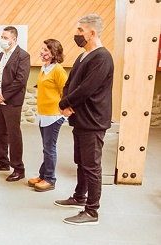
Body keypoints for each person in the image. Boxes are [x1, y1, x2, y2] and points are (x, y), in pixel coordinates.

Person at [54, 14, 114, 225]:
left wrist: (64, 104)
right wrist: (66, 100)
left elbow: (87, 88)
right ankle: (80, 196)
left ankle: (92, 211)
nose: (76, 34)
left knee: (91, 166)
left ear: (92, 33)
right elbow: (70, 84)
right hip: (80, 118)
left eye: (80, 30)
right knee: (81, 162)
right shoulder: (82, 56)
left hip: (93, 120)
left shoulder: (102, 57)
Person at [0, 26, 30, 181]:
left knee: (14, 135)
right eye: (2, 37)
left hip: (12, 102)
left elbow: (20, 81)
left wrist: (4, 96)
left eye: (5, 38)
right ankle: (2, 161)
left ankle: (18, 168)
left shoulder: (23, 56)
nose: (2, 40)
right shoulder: (0, 55)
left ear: (14, 39)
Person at [28, 39, 68, 192]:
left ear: (53, 53)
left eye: (46, 50)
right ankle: (43, 175)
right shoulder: (44, 68)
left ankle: (50, 179)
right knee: (46, 148)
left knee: (49, 148)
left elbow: (66, 91)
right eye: (42, 49)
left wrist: (64, 111)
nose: (42, 52)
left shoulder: (58, 70)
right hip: (43, 114)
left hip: (53, 115)